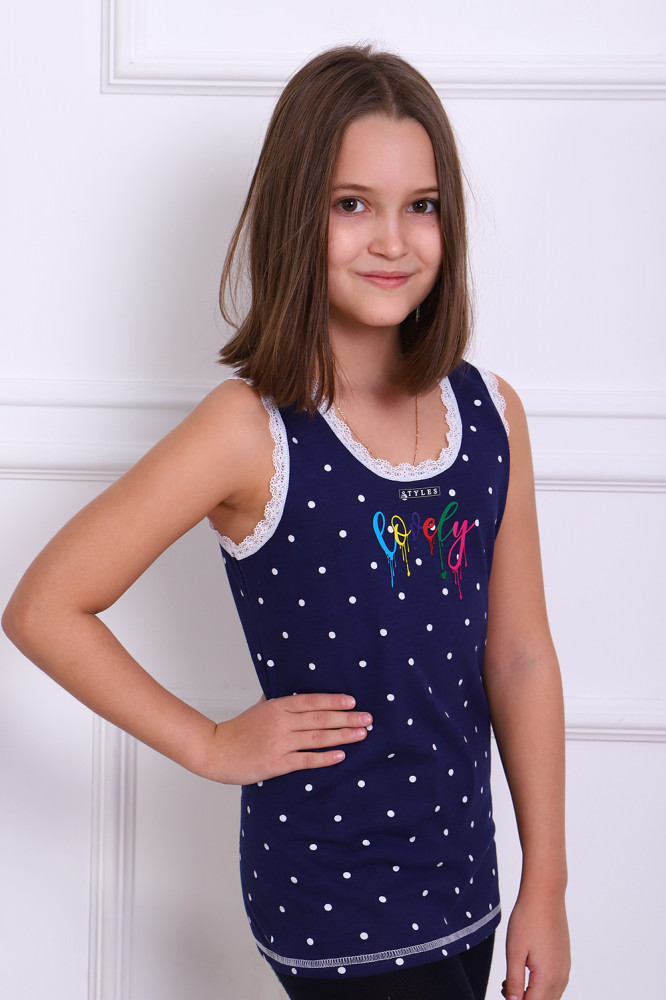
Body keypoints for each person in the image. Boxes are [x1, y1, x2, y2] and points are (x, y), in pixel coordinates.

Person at [2, 45, 569, 1000]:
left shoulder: (491, 415)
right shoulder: (249, 430)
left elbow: (519, 657)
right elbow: (44, 607)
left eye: (421, 205)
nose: (392, 239)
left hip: (468, 887)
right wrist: (210, 744)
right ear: (296, 212)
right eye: (352, 204)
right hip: (332, 905)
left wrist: (545, 881)